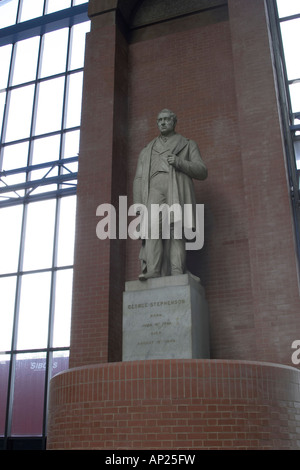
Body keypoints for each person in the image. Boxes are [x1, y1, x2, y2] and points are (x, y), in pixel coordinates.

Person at [133, 109, 207, 281]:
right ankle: (153, 269)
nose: (163, 123)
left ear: (174, 122)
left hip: (177, 187)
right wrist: (138, 202)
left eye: (166, 119)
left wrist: (180, 162)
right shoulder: (147, 150)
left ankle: (176, 271)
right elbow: (139, 176)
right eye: (160, 120)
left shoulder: (188, 144)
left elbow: (202, 171)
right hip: (154, 189)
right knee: (153, 230)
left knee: (176, 231)